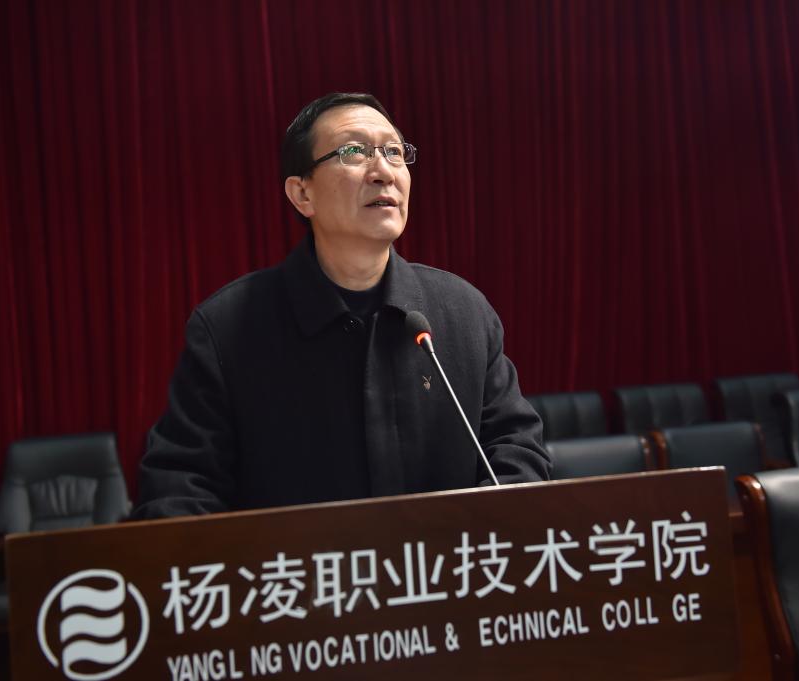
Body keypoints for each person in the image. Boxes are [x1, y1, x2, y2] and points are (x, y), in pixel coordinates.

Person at [132, 93, 550, 519]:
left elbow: (517, 449)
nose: (384, 171)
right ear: (302, 194)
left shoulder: (463, 313)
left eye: (393, 152)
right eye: (354, 152)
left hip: (444, 560)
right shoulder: (228, 328)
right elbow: (179, 487)